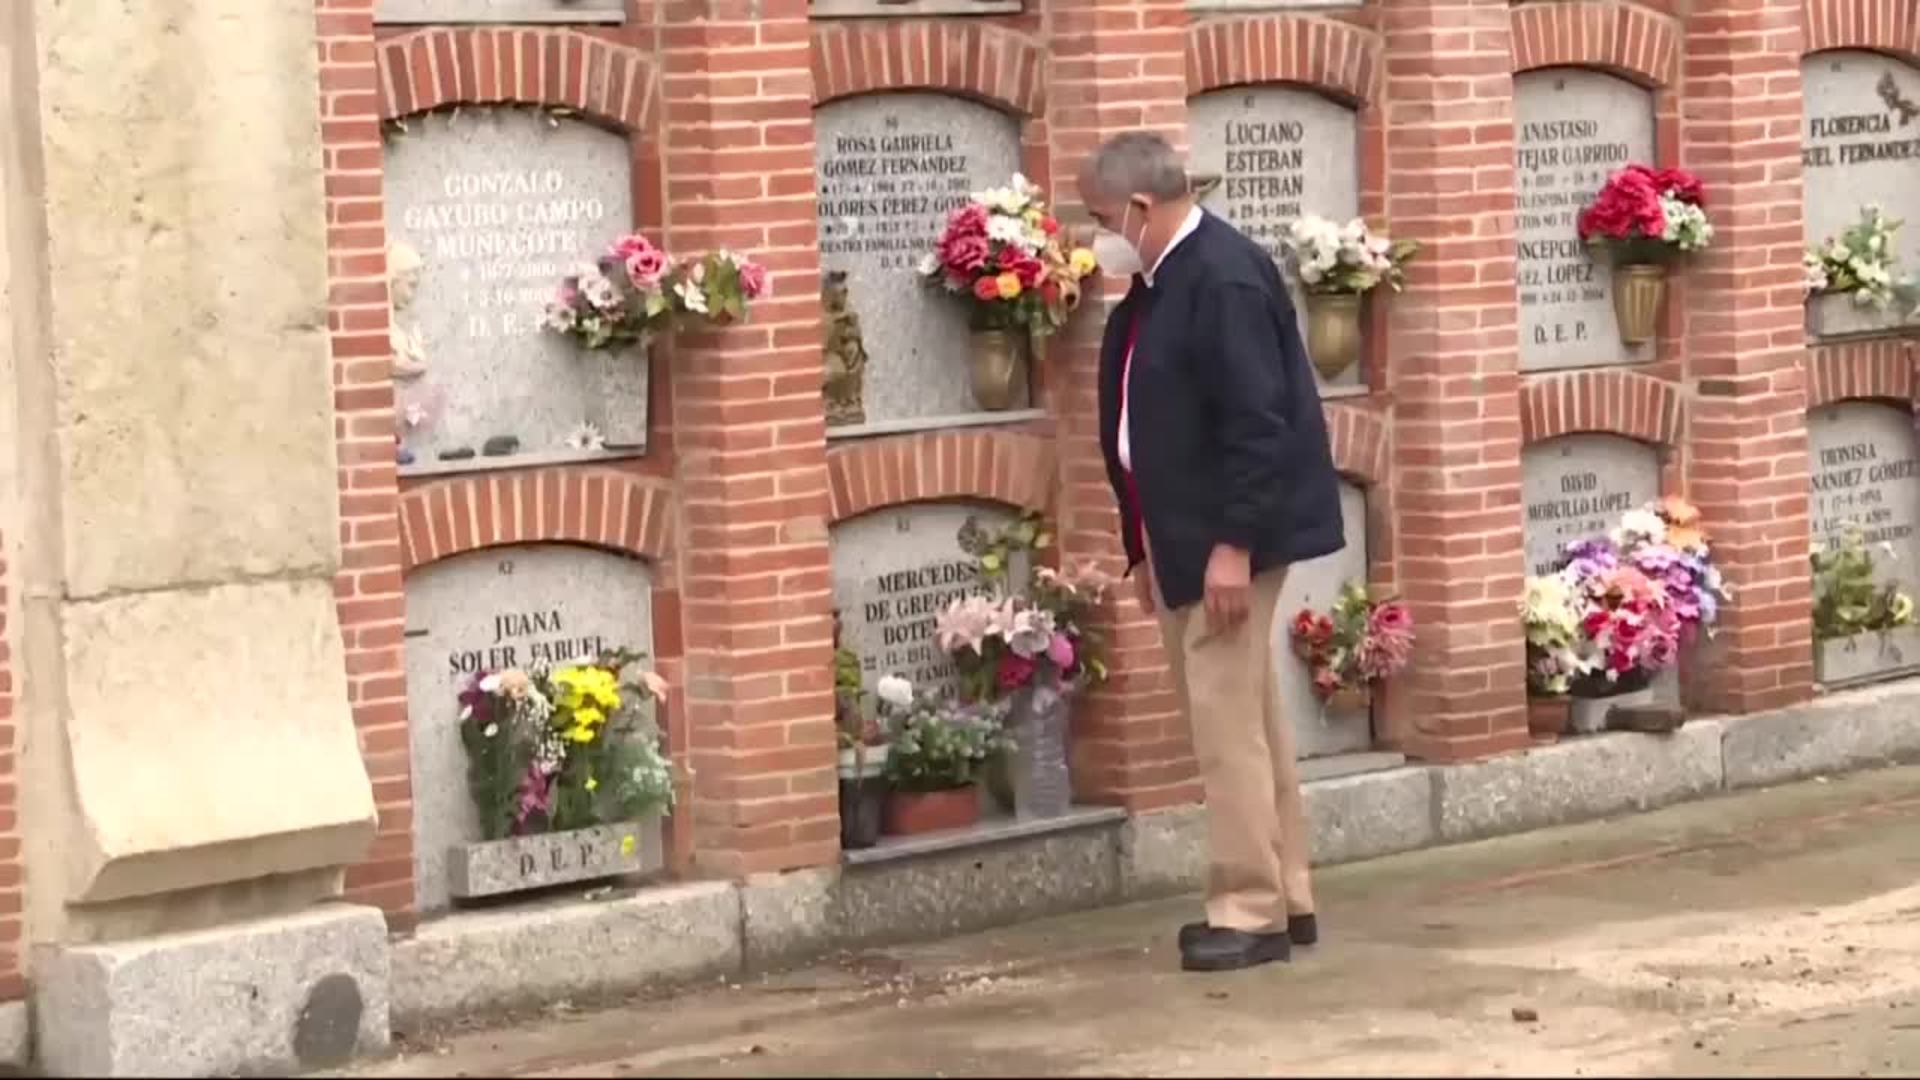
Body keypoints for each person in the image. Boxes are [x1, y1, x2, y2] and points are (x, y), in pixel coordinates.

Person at [1077, 131, 1345, 973]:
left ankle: (1249, 910)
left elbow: (1257, 423)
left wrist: (1232, 546)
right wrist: (1145, 542)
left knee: (1223, 726)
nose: (1099, 239)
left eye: (1101, 220)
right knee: (1250, 717)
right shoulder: (1163, 280)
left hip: (1228, 539)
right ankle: (1287, 895)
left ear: (1140, 207)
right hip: (1186, 533)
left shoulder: (1221, 278)